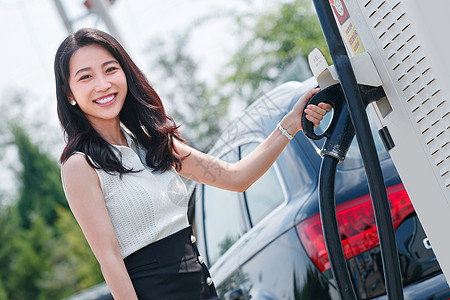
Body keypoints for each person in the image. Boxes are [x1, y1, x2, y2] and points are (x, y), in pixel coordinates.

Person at [55, 28, 331, 300]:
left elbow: (236, 177)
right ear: (69, 94)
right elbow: (110, 259)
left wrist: (290, 124)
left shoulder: (154, 144)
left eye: (110, 69)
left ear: (125, 74)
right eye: (86, 77)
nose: (102, 84)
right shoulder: (80, 166)